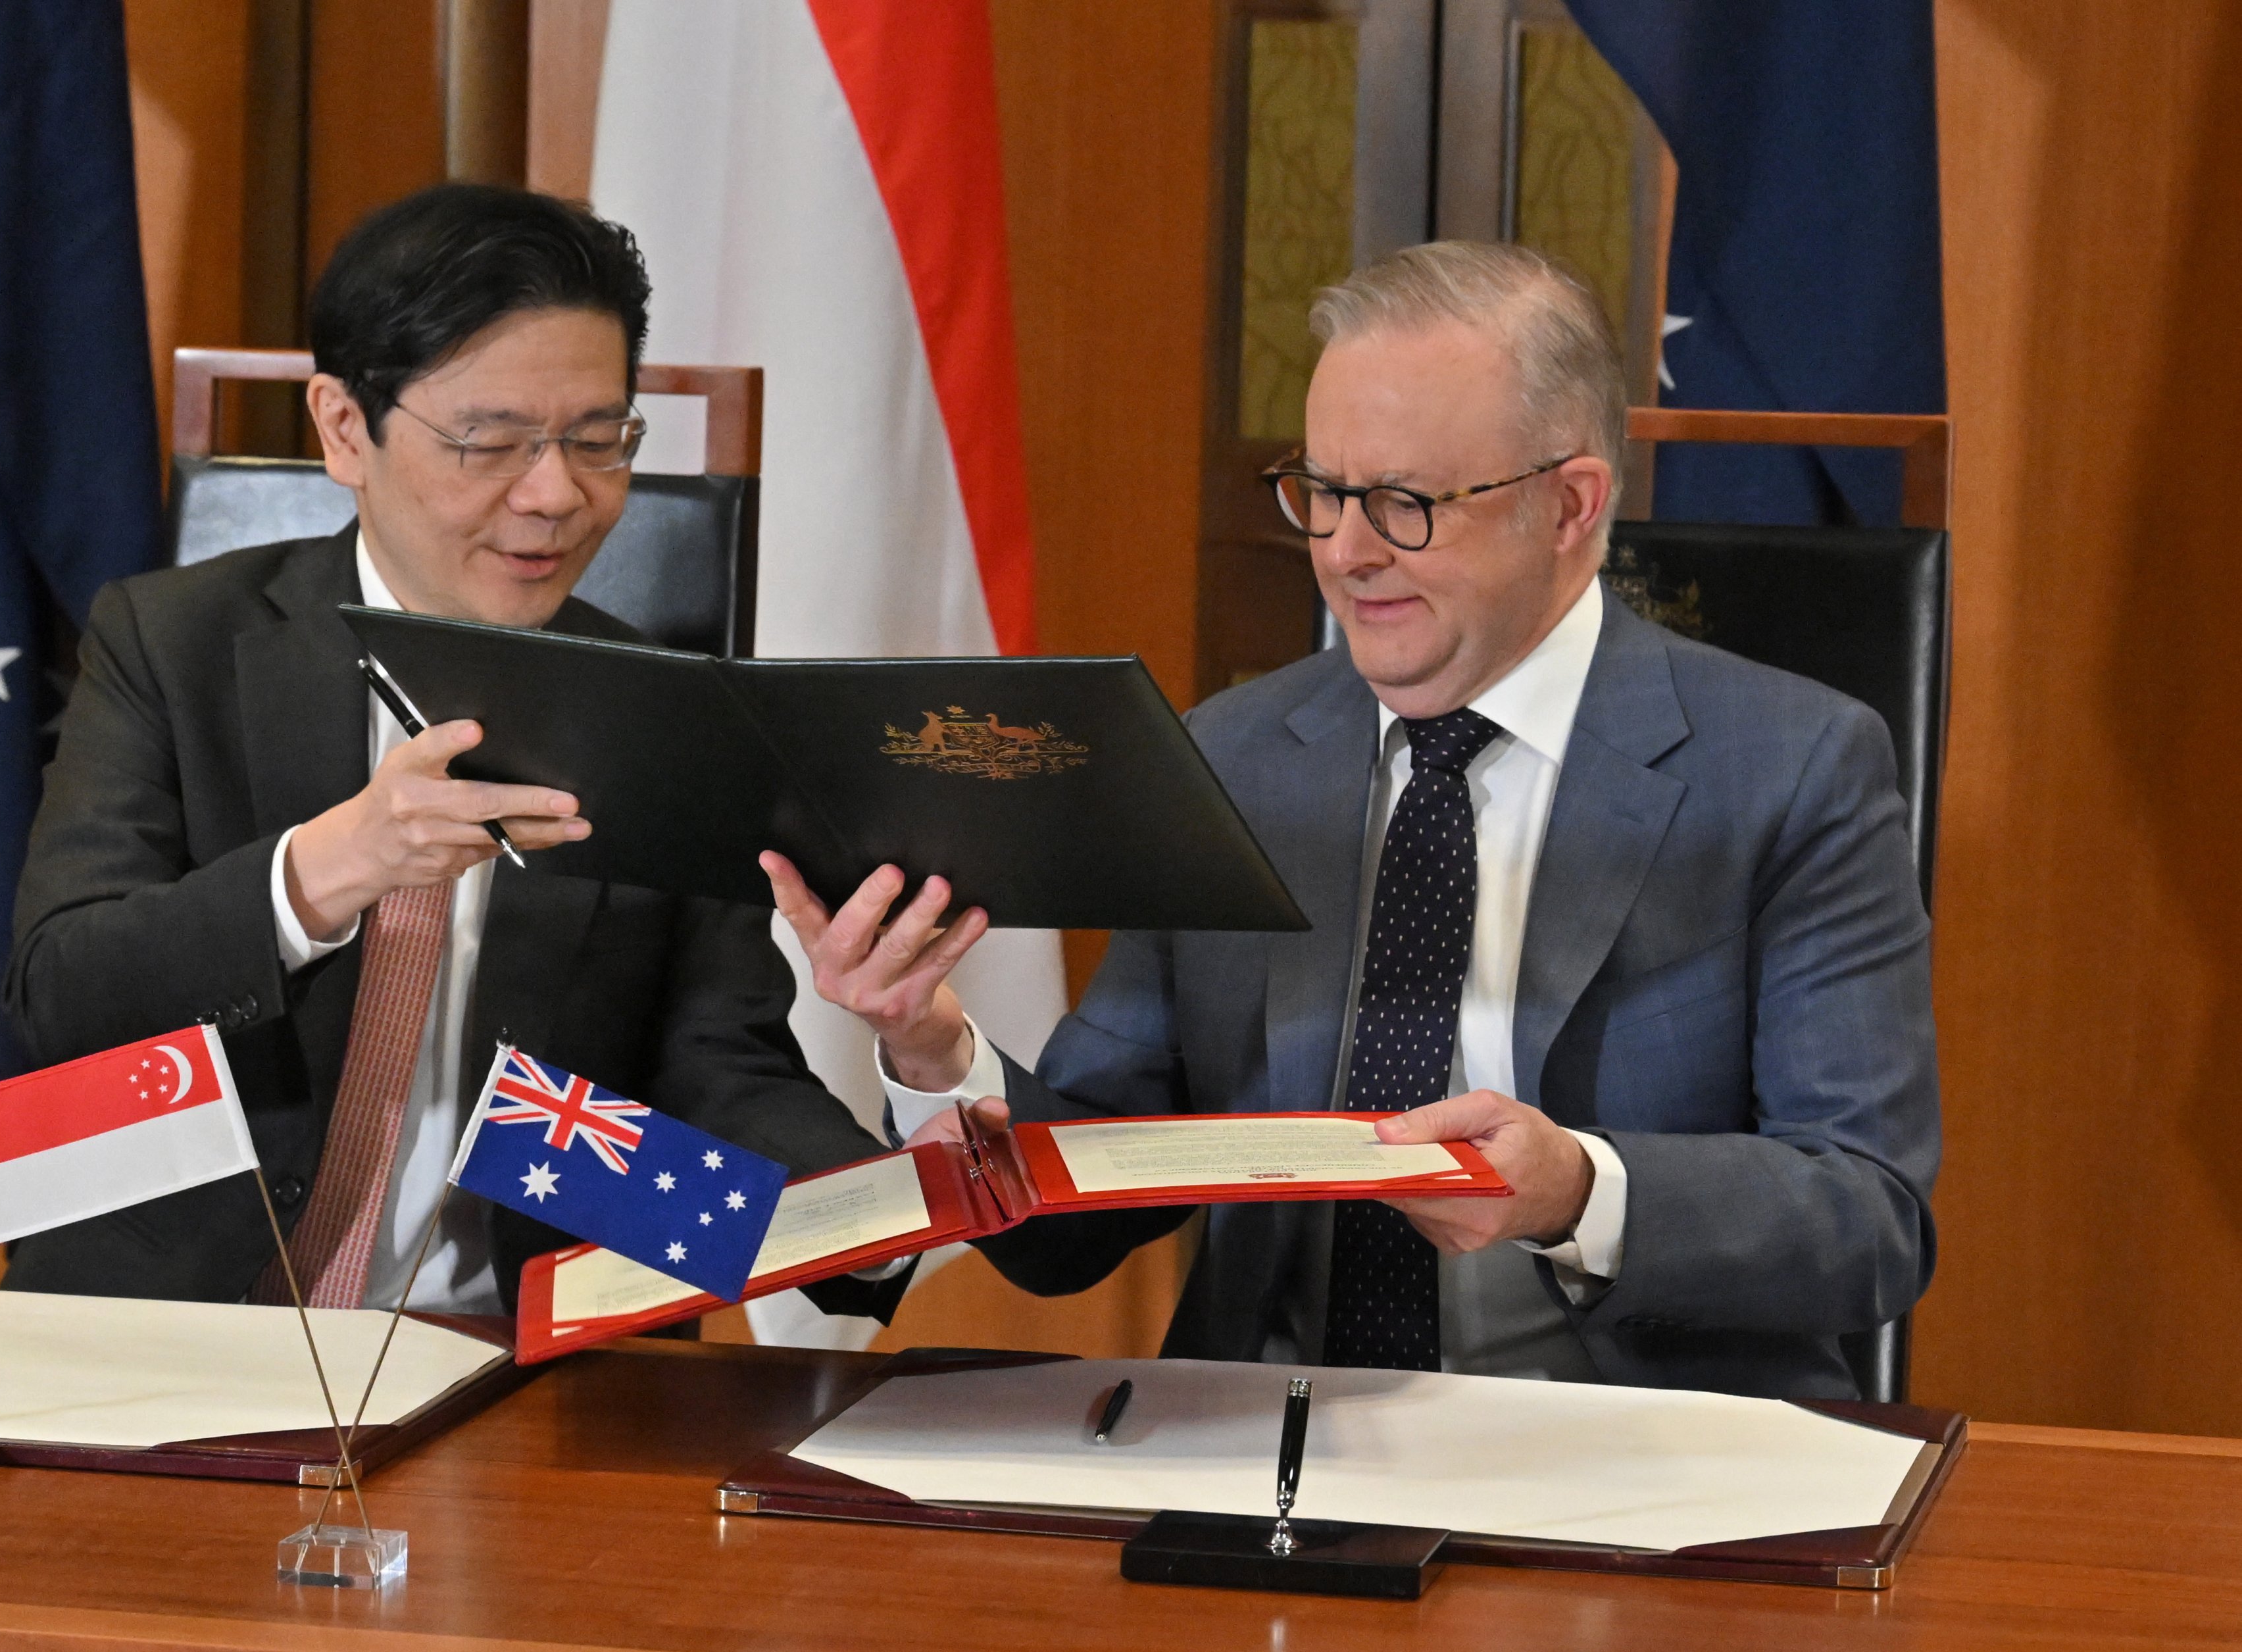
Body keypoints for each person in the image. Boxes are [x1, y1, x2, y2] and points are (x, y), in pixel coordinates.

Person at [767, 241, 1938, 1397]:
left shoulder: (1792, 770)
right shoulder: (1232, 754)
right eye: (1323, 492)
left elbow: (1867, 1220)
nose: (1344, 550)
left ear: (1571, 505)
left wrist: (1580, 1189)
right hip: (1268, 1450)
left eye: (1404, 502)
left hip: (1624, 1455)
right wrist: (931, 1046)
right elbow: (1065, 1232)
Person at [3, 184, 893, 1315]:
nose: (555, 494)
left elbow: (709, 1079)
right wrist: (326, 871)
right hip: (162, 1333)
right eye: (490, 442)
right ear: (342, 429)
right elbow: (58, 996)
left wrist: (876, 1217)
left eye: (597, 438)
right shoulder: (171, 646)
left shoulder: (676, 721)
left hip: (495, 1358)